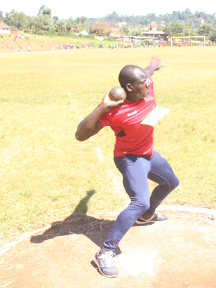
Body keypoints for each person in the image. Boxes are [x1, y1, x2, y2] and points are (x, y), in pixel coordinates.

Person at [75, 57, 179, 278]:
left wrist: (153, 65)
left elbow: (148, 72)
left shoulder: (147, 89)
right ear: (129, 87)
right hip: (130, 159)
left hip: (149, 154)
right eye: (143, 81)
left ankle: (147, 216)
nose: (148, 83)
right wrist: (103, 106)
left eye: (147, 79)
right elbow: (81, 135)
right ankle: (105, 252)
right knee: (139, 201)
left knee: (170, 182)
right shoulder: (115, 112)